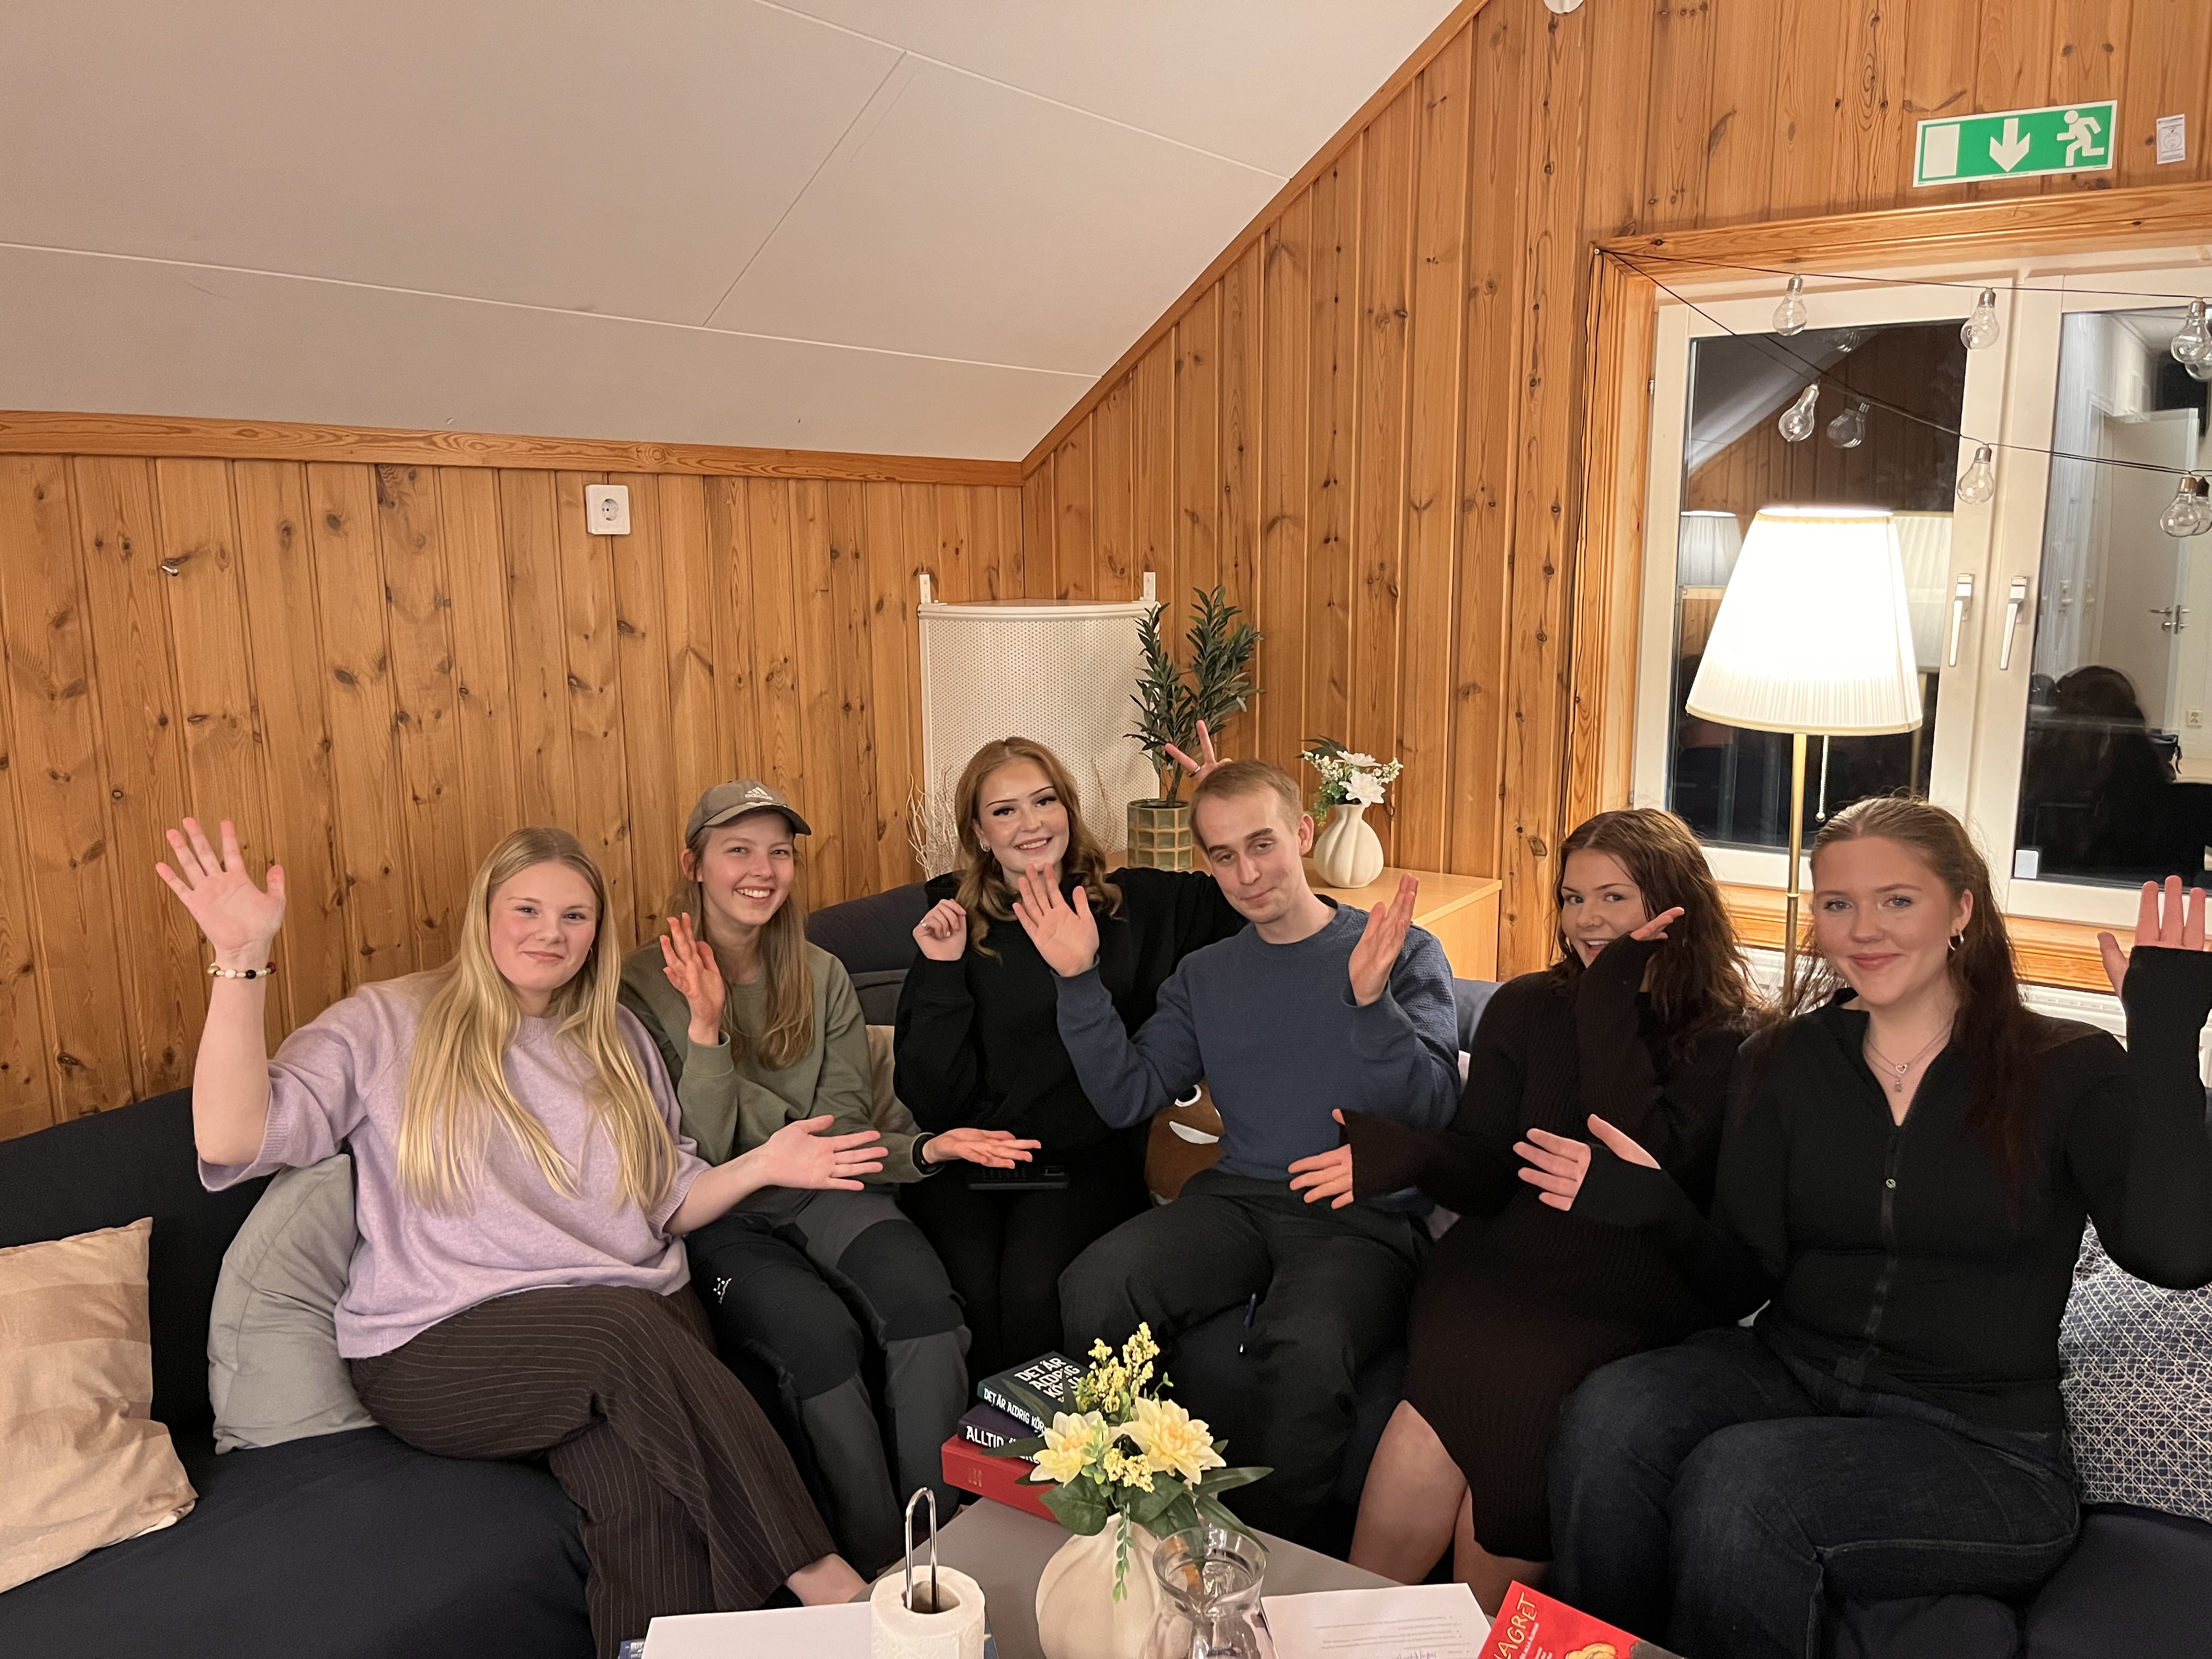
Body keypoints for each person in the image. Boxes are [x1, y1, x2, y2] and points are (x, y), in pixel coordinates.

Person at [162, 818, 873, 1659]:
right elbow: (232, 1137)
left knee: (644, 1499)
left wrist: (762, 1164)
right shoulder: (388, 1023)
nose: (551, 933)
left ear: (597, 933)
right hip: (444, 1348)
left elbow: (667, 1201)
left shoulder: (619, 1038)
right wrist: (241, 959)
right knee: (621, 1328)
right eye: (527, 909)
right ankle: (834, 1588)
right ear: (485, 914)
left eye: (575, 916)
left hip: (630, 1339)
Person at [1522, 796, 2212, 1658]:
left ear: (1961, 909)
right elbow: (1742, 1275)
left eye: (1898, 900)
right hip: (1793, 1370)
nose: (1864, 930)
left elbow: (2177, 1253)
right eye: (1838, 903)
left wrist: (2166, 1043)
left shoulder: (2066, 1067)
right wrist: (1655, 1203)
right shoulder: (1782, 1060)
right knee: (1610, 1415)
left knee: (1744, 1484)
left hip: (1984, 1443)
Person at [1289, 808, 1753, 1612]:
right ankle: (1350, 1629)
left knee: (1526, 1395)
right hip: (1501, 1259)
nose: (1587, 920)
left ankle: (1472, 1637)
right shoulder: (1528, 1007)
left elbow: (1637, 1153)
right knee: (1438, 1398)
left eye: (1613, 897)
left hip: (1635, 1280)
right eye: (1573, 898)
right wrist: (1408, 1154)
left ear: (1676, 902)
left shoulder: (1735, 1041)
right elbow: (1487, 1171)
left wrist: (1610, 999)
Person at [1018, 759, 1462, 1538]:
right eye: (1224, 856)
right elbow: (1128, 1096)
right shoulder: (1207, 975)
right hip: (1240, 1200)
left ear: (1303, 833)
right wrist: (1078, 980)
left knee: (1304, 1350)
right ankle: (1135, 1518)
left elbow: (1433, 1108)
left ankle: (1264, 1566)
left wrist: (1370, 1005)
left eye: (1262, 844)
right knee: (1096, 1285)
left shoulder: (1399, 950)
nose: (1248, 874)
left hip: (1361, 1216)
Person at [618, 780, 1035, 1571]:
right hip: (719, 1215)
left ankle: (939, 1552)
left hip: (829, 1191)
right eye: (738, 850)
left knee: (927, 1313)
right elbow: (700, 1145)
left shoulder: (821, 973)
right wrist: (706, 1028)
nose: (762, 870)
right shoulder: (638, 988)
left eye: (779, 852)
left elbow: (843, 1129)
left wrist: (923, 1151)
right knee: (820, 1344)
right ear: (694, 864)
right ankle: (877, 1569)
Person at [893, 731, 1247, 1381]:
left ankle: (1044, 1442)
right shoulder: (953, 924)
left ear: (1068, 808)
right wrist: (942, 972)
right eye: (1005, 811)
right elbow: (931, 1100)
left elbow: (1252, 902)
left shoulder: (1133, 904)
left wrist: (1231, 808)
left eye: (1044, 801)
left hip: (1086, 1159)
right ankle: (981, 1441)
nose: (1030, 824)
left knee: (1035, 1289)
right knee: (966, 1287)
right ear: (980, 832)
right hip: (973, 1157)